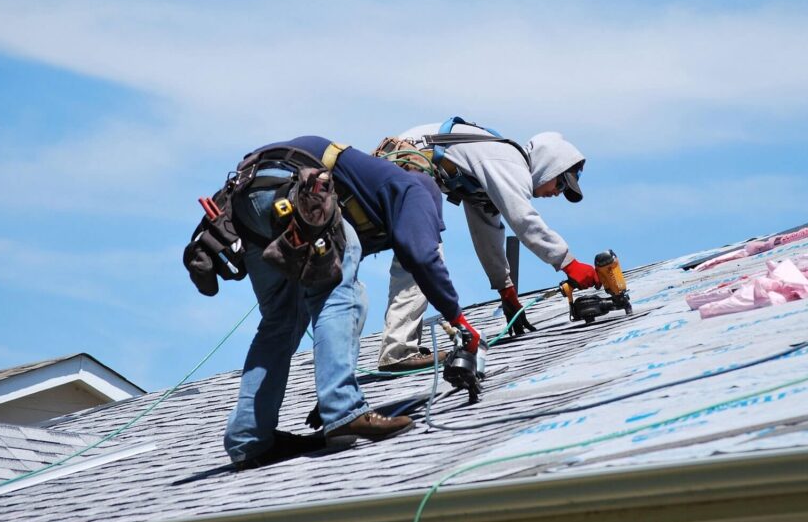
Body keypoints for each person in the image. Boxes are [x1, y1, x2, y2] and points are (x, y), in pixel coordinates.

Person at [219, 136, 481, 469]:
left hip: (245, 198)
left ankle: (249, 438)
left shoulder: (363, 192)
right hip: (288, 188)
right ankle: (343, 409)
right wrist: (459, 320)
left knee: (282, 320)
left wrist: (332, 380)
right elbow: (421, 255)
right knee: (342, 293)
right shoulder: (417, 187)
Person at [375, 120, 598, 372]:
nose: (557, 193)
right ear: (548, 167)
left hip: (402, 170)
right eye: (560, 183)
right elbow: (524, 220)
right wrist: (569, 263)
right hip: (404, 167)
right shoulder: (509, 163)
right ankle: (398, 352)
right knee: (425, 256)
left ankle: (401, 347)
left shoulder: (495, 172)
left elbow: (486, 233)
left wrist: (506, 289)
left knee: (419, 257)